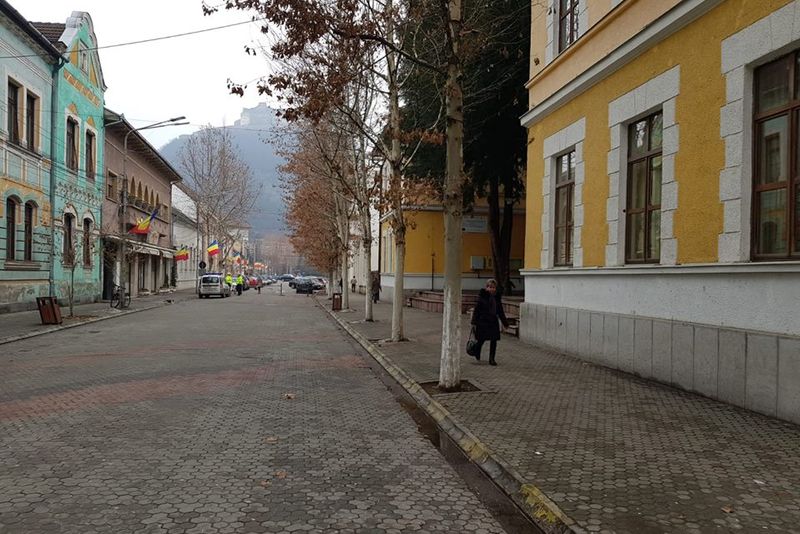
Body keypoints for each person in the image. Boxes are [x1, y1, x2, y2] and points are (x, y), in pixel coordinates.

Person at [470, 279, 509, 366]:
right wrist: (474, 322)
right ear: (486, 287)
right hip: (483, 321)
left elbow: (500, 311)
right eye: (490, 287)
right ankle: (477, 351)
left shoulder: (497, 298)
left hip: (493, 321)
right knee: (481, 339)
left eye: (493, 287)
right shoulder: (482, 297)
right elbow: (477, 310)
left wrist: (505, 323)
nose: (491, 289)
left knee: (494, 340)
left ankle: (492, 359)